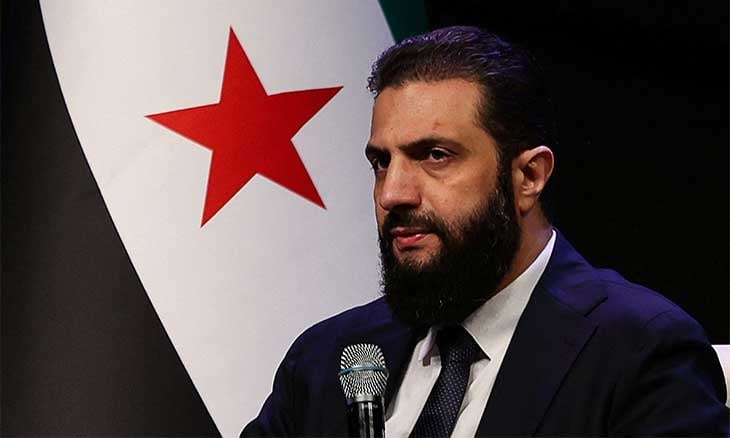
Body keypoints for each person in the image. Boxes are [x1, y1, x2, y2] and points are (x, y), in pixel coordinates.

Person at [242, 26, 729, 437]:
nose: (392, 193)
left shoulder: (639, 353)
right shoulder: (327, 359)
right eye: (381, 162)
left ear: (529, 177)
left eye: (435, 156)